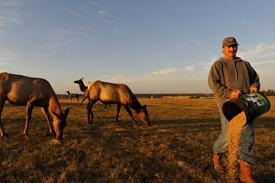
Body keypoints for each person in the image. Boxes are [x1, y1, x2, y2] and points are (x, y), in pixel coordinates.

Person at [208, 37, 260, 183]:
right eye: (229, 47)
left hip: (246, 107)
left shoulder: (245, 64)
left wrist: (254, 86)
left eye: (234, 46)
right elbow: (214, 84)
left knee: (247, 138)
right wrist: (229, 94)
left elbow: (256, 78)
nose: (232, 49)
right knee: (226, 137)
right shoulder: (218, 65)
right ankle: (217, 155)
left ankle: (245, 173)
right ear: (223, 48)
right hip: (228, 108)